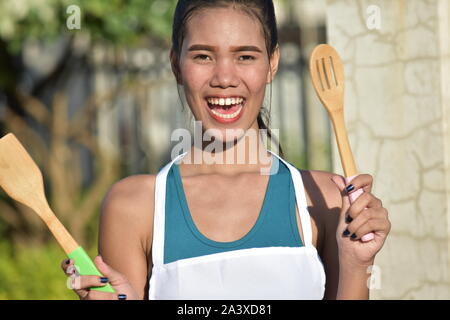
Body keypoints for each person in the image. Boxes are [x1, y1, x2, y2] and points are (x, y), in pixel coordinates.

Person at [61, 0, 390, 300]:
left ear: (272, 62)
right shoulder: (134, 206)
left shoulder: (325, 199)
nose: (224, 78)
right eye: (203, 56)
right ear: (176, 64)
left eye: (245, 56)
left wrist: (357, 264)